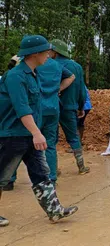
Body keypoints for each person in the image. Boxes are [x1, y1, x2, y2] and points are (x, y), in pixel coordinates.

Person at [0, 35, 78, 227]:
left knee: (40, 173)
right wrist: (37, 132)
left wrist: (35, 132)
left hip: (27, 134)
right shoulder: (16, 76)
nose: (49, 56)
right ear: (35, 54)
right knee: (1, 176)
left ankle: (54, 210)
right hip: (13, 134)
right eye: (46, 52)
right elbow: (21, 108)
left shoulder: (33, 74)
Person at [7, 47, 76, 189]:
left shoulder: (27, 66)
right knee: (49, 144)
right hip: (52, 108)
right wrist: (58, 89)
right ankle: (51, 179)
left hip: (33, 111)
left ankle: (9, 179)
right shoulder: (56, 65)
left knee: (19, 144)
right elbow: (71, 76)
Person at [52, 39, 90, 175]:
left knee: (51, 139)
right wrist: (81, 107)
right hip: (69, 107)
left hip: (51, 107)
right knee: (73, 137)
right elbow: (81, 90)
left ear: (55, 52)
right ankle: (81, 167)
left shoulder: (46, 64)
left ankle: (54, 170)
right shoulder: (76, 67)